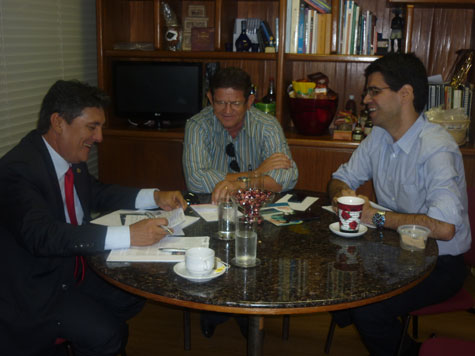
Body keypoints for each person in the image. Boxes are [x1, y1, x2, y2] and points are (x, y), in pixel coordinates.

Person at [0, 80, 188, 356]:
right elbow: (43, 235)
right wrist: (130, 235)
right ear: (58, 122)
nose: (100, 137)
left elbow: (97, 193)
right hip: (36, 290)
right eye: (92, 127)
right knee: (107, 335)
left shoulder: (67, 160)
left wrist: (155, 196)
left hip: (72, 269)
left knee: (132, 296)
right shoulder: (17, 170)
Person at [328, 53, 471, 356]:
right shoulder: (378, 136)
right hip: (395, 252)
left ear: (405, 94)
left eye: (374, 91)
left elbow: (444, 229)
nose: (366, 98)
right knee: (332, 272)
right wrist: (344, 197)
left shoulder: (436, 148)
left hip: (438, 263)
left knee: (368, 308)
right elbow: (340, 177)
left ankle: (409, 351)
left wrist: (375, 217)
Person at [183, 66, 298, 204]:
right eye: (220, 102)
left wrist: (241, 185)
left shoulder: (268, 126)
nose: (227, 110)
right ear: (210, 99)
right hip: (212, 209)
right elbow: (196, 181)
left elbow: (286, 178)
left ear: (249, 102)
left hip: (257, 209)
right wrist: (256, 174)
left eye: (235, 103)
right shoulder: (197, 126)